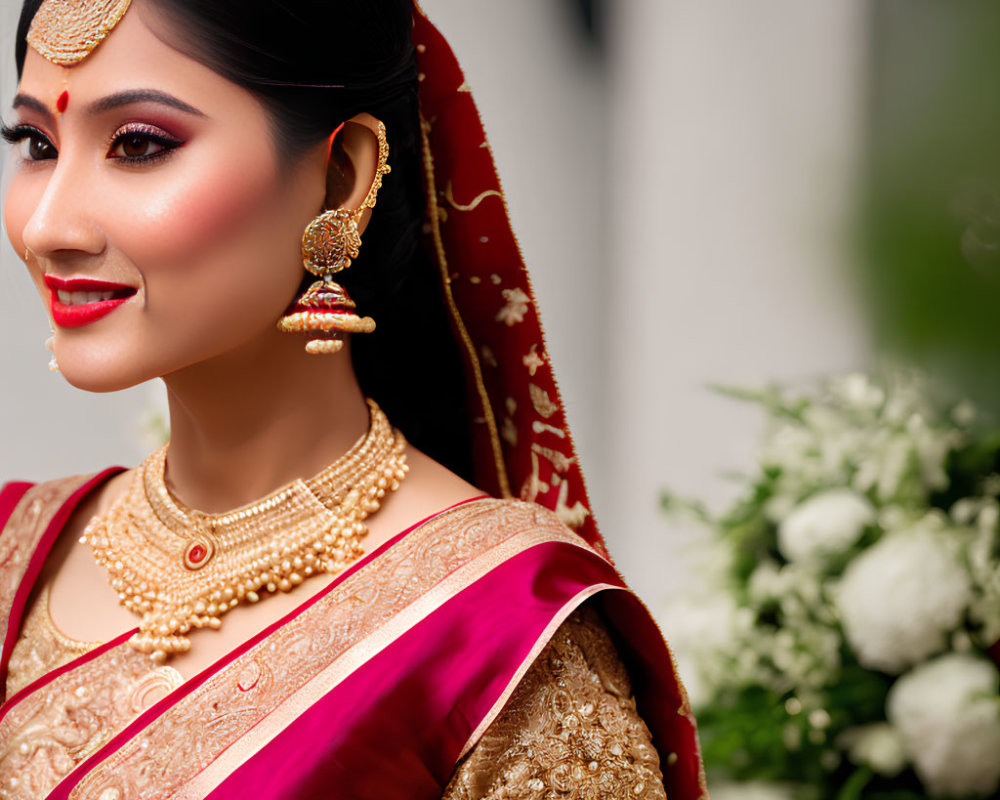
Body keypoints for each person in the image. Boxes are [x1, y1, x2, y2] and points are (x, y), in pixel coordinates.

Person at [0, 0, 707, 797]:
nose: (48, 225)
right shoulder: (15, 554)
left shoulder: (500, 634)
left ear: (343, 177)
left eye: (137, 145)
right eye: (36, 144)